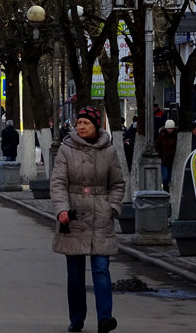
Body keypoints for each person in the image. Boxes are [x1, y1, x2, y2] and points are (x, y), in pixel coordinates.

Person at [51, 106, 125, 333]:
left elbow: (118, 184)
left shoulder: (109, 150)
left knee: (101, 269)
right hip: (72, 216)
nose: (81, 127)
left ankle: (105, 318)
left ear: (96, 125)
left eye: (86, 123)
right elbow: (58, 183)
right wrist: (62, 209)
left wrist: (111, 207)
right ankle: (77, 318)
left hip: (101, 215)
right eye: (79, 122)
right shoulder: (66, 149)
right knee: (75, 274)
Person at [154, 119, 177, 191]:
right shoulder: (162, 135)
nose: (170, 130)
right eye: (169, 129)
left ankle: (169, 190)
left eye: (171, 128)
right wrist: (160, 154)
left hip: (173, 160)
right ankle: (166, 188)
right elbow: (157, 146)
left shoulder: (176, 136)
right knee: (165, 177)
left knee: (170, 177)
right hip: (165, 160)